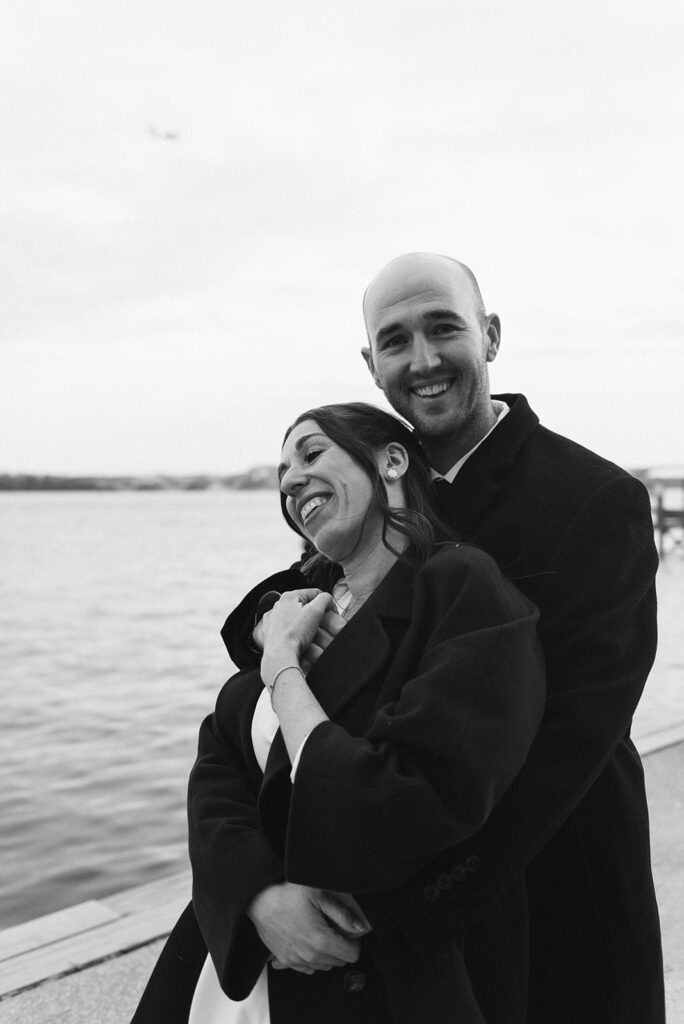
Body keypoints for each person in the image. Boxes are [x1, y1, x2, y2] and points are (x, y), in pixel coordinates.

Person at [217, 253, 664, 1023]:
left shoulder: (596, 500)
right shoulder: (375, 485)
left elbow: (573, 740)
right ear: (371, 363)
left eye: (444, 328)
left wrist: (383, 901)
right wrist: (256, 886)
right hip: (387, 893)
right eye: (395, 341)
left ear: (489, 336)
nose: (422, 360)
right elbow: (279, 613)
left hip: (554, 890)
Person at [132, 402, 546, 1024]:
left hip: (372, 972)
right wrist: (256, 894)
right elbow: (220, 763)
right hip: (233, 968)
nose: (290, 479)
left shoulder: (461, 588)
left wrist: (284, 674)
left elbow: (408, 796)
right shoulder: (295, 608)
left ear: (392, 460)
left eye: (311, 453)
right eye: (281, 471)